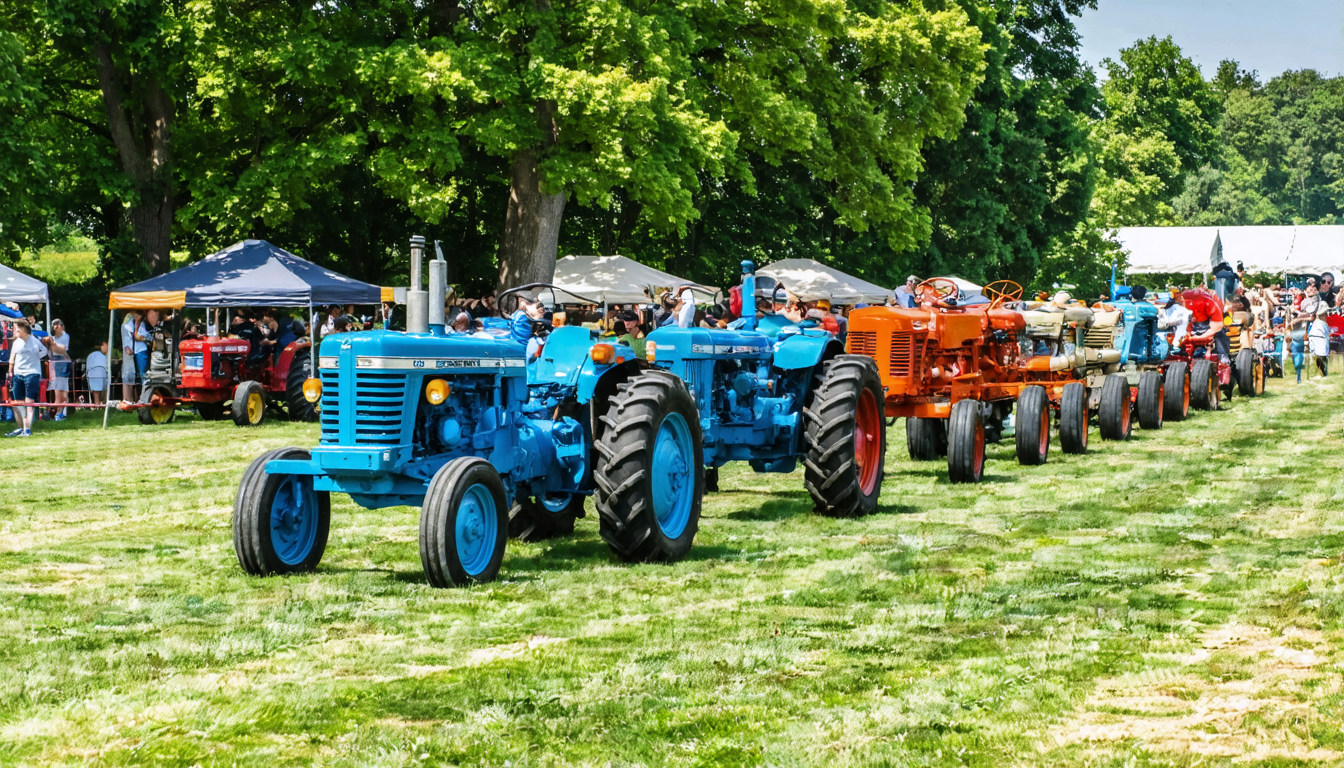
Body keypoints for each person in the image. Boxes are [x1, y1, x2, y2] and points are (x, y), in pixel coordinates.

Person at [5, 320, 47, 437]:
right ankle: (20, 428)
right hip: (18, 374)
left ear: (22, 329)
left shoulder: (34, 340)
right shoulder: (16, 342)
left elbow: (45, 350)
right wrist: (10, 371)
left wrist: (36, 358)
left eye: (16, 328)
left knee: (29, 403)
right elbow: (12, 357)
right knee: (18, 403)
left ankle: (27, 429)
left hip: (32, 373)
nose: (14, 331)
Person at [1183, 288, 1230, 362]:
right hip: (1194, 332)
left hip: (1210, 331)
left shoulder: (1210, 303)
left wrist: (1200, 337)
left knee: (1220, 335)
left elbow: (1217, 326)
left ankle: (1223, 356)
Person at [45, 319, 71, 420]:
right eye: (55, 326)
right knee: (56, 389)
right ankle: (58, 412)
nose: (58, 327)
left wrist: (52, 344)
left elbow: (62, 350)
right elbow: (51, 350)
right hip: (53, 363)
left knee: (61, 390)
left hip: (62, 363)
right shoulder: (51, 337)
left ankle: (60, 413)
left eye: (60, 325)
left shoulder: (65, 336)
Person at [120, 310, 143, 402]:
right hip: (129, 353)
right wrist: (127, 348)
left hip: (132, 352)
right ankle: (127, 399)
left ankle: (133, 400)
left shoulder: (131, 324)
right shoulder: (126, 326)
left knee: (133, 377)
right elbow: (126, 338)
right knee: (128, 376)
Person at [1308, 306, 1330, 378]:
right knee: (1317, 357)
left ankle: (1324, 374)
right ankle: (1320, 373)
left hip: (1321, 340)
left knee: (1322, 357)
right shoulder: (1316, 322)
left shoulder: (1323, 323)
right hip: (1315, 339)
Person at [87, 340, 109, 405]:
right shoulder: (103, 356)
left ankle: (97, 404)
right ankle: (104, 404)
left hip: (92, 372)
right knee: (104, 387)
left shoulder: (91, 355)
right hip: (101, 370)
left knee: (95, 390)